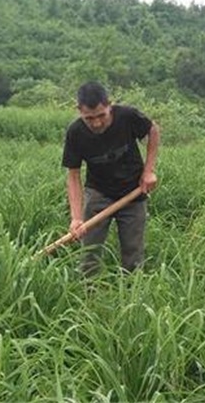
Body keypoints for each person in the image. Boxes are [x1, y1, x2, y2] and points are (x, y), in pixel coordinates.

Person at [62, 81, 160, 276]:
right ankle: (88, 294)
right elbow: (73, 176)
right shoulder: (75, 132)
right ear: (79, 111)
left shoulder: (127, 116)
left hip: (133, 193)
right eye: (89, 118)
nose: (97, 123)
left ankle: (132, 296)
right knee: (89, 253)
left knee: (133, 254)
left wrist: (149, 171)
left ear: (110, 105)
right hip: (99, 193)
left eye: (101, 116)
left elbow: (153, 130)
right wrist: (76, 218)